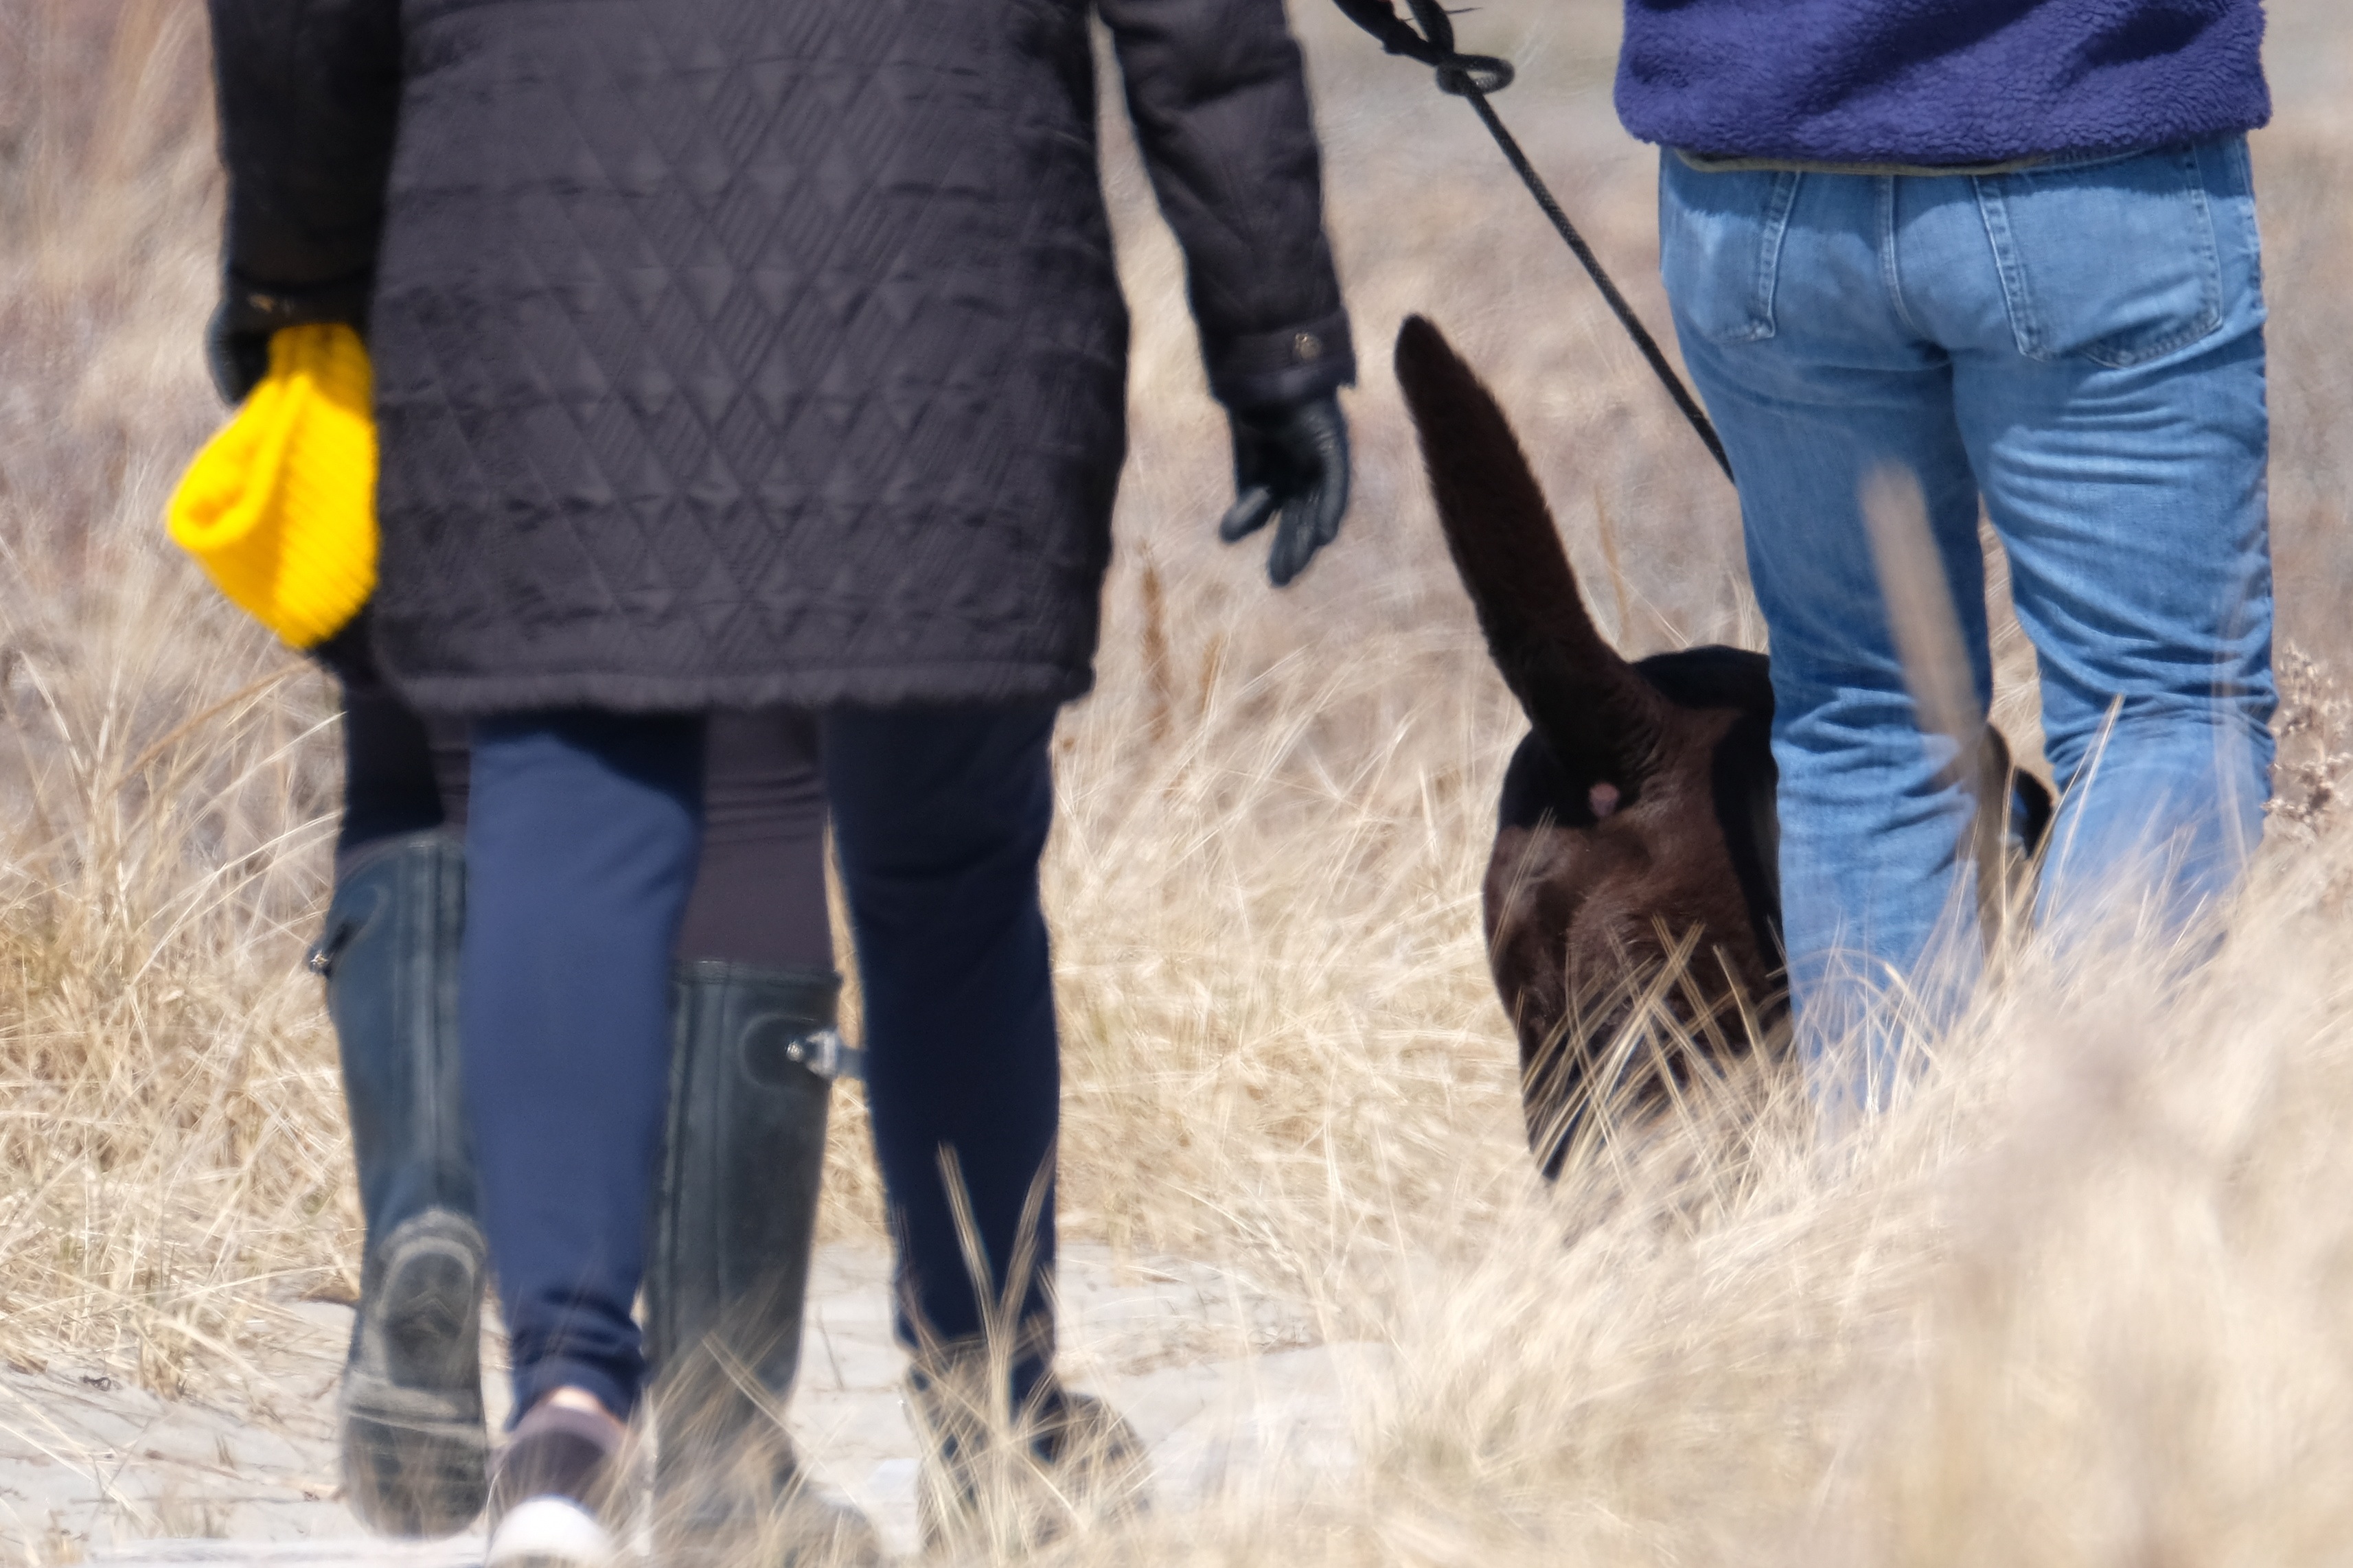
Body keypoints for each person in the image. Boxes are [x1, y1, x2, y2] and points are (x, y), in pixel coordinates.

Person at [206, 1, 1355, 1563]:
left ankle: (566, 1414)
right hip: (942, 254)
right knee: (950, 868)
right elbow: (1197, 25)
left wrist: (298, 274)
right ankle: (995, 1419)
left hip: (545, 238)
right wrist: (1274, 334)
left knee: (570, 787)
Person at [1616, 1, 2277, 1104]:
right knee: (2163, 710)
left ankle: (1895, 1203)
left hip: (1758, 169)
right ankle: (2083, 1182)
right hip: (2086, 134)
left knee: (1863, 720)